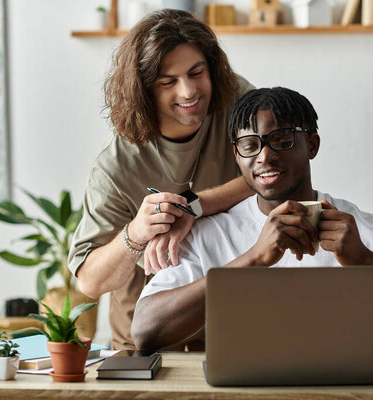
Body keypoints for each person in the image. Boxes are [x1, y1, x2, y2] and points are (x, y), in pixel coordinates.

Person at [131, 87, 373, 351]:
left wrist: (365, 262)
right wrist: (251, 260)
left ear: (312, 144)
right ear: (237, 156)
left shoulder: (372, 235)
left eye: (281, 139)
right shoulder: (211, 235)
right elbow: (146, 331)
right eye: (250, 145)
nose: (264, 155)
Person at [68, 9, 255, 349]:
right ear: (143, 91)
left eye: (196, 73)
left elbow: (276, 172)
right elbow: (90, 282)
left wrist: (192, 209)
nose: (188, 91)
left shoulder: (236, 100)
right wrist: (136, 234)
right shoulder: (114, 166)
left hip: (230, 327)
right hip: (144, 340)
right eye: (168, 82)